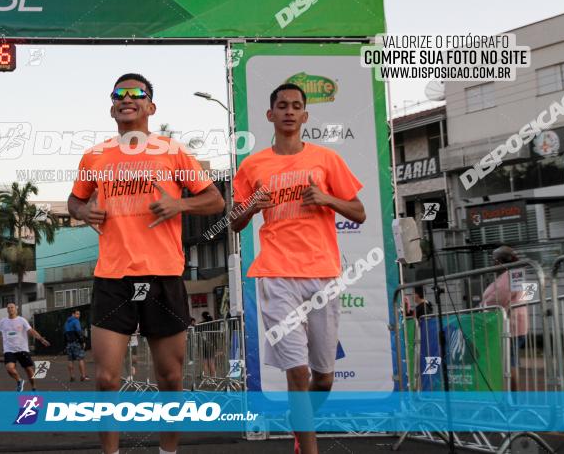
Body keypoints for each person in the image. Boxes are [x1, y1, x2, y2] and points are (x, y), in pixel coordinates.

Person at [68, 73, 225, 454]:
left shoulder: (172, 152)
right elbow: (74, 201)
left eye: (137, 93)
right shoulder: (95, 156)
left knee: (170, 377)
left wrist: (180, 203)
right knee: (106, 379)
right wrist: (85, 210)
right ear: (112, 107)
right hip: (112, 278)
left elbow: (216, 201)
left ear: (150, 107)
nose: (128, 98)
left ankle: (167, 450)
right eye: (119, 94)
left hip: (163, 277)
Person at [231, 83, 366, 454]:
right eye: (282, 106)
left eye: (296, 106)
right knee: (297, 372)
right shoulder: (253, 165)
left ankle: (300, 421)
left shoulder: (326, 160)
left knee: (322, 379)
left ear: (305, 116)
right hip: (276, 274)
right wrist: (251, 207)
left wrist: (327, 198)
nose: (289, 111)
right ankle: (308, 447)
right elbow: (233, 222)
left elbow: (359, 212)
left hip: (322, 273)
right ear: (269, 115)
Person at [482, 245, 528, 391]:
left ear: (501, 261)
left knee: (510, 362)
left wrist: (482, 305)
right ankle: (511, 396)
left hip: (512, 325)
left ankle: (513, 396)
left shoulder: (512, 274)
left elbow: (500, 296)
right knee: (509, 361)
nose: (492, 264)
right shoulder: (510, 274)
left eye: (494, 261)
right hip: (510, 323)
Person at [0, 303, 50, 391]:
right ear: (7, 310)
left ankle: (34, 387)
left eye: (12, 307)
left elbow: (31, 331)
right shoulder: (3, 321)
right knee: (9, 368)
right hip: (9, 350)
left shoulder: (22, 320)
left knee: (29, 370)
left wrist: (41, 339)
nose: (10, 309)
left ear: (16, 309)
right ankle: (19, 380)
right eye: (8, 308)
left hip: (22, 349)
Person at [64, 309, 90, 382]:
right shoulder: (76, 321)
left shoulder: (66, 322)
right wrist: (83, 341)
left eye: (79, 314)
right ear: (73, 314)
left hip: (69, 343)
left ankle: (72, 376)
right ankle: (83, 376)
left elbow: (65, 334)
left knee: (70, 360)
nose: (78, 316)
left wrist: (66, 344)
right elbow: (79, 332)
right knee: (81, 359)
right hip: (76, 343)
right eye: (77, 314)